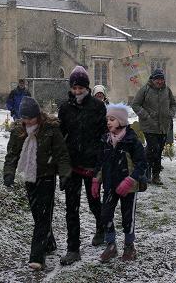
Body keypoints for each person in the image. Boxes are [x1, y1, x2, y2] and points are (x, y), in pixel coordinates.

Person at [3, 96, 71, 271]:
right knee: (37, 214)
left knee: (42, 216)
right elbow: (12, 154)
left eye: (31, 118)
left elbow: (61, 153)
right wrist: (9, 173)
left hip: (47, 175)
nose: (28, 121)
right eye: (25, 118)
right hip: (29, 176)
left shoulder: (51, 128)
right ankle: (49, 242)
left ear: (38, 115)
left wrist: (64, 174)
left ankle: (37, 256)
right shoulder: (19, 130)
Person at [58, 65, 107, 265]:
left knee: (94, 201)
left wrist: (100, 164)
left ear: (87, 88)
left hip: (92, 164)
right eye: (74, 88)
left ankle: (101, 227)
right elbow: (60, 136)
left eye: (81, 88)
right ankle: (73, 248)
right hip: (72, 164)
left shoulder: (97, 107)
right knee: (72, 207)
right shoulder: (65, 108)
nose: (77, 92)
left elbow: (103, 136)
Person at [92, 103, 147, 262]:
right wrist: (96, 179)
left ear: (122, 121)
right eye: (107, 119)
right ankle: (111, 245)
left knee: (127, 217)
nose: (108, 122)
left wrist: (131, 179)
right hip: (110, 184)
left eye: (112, 119)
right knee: (105, 214)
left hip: (128, 187)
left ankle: (129, 246)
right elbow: (100, 162)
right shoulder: (106, 140)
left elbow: (142, 163)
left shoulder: (131, 141)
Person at [131, 68, 176, 185]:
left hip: (163, 127)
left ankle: (156, 175)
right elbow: (135, 105)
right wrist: (146, 115)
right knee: (153, 149)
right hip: (149, 126)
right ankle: (143, 171)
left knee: (159, 151)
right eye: (157, 79)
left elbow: (173, 104)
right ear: (153, 79)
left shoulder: (167, 90)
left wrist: (170, 114)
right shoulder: (145, 90)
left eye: (161, 79)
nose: (159, 81)